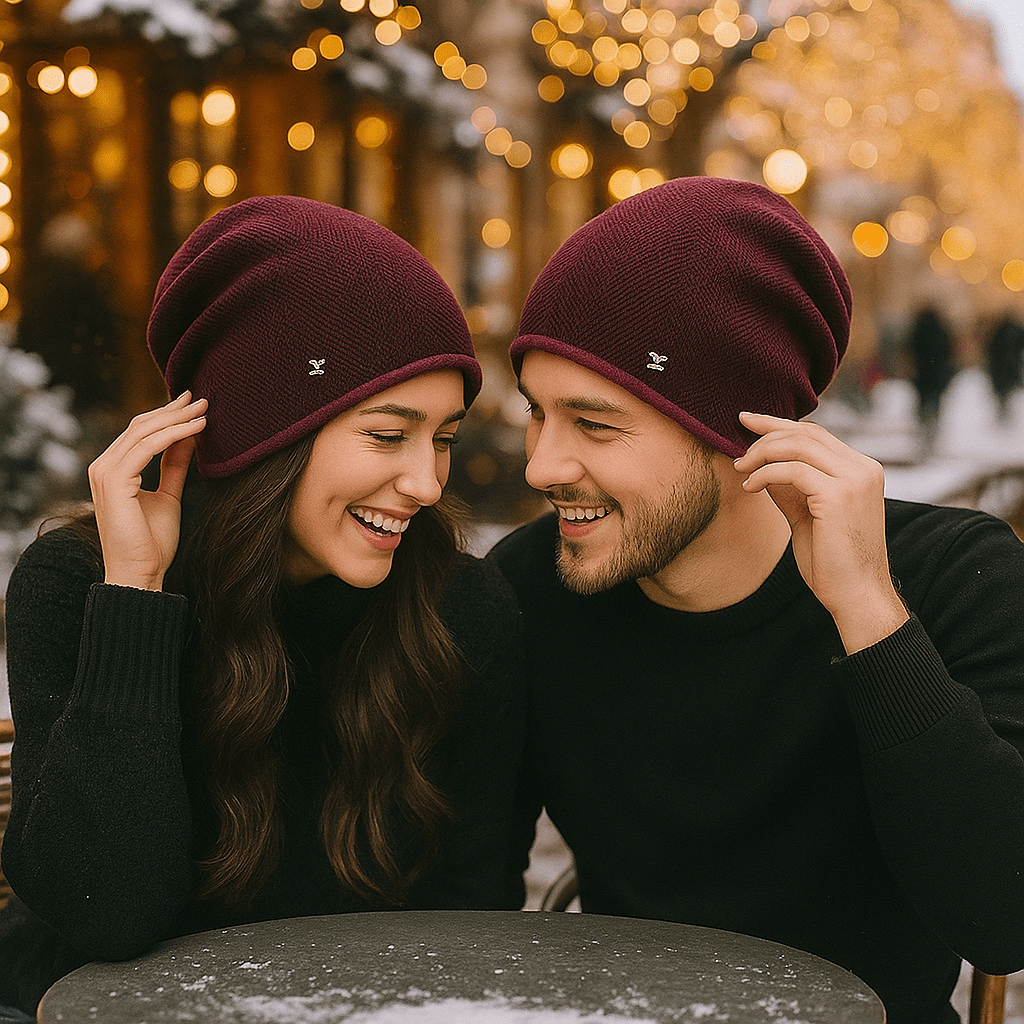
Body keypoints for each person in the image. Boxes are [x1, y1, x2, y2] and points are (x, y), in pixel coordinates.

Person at [489, 177, 1024, 1024]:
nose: (542, 466)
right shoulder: (525, 588)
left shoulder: (951, 575)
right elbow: (456, 902)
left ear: (743, 433)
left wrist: (870, 618)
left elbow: (1004, 920)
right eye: (536, 414)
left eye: (593, 424)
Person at [0, 195, 525, 1020]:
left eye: (444, 439)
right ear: (268, 430)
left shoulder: (458, 612)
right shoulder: (81, 586)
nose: (426, 483)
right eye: (388, 436)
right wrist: (134, 599)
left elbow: (473, 917)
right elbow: (103, 912)